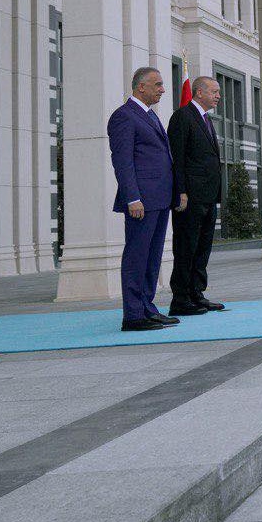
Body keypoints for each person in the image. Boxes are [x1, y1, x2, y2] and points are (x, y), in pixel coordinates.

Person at [108, 68, 179, 332]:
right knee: (137, 256)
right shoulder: (124, 116)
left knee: (152, 257)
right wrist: (132, 197)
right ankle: (133, 316)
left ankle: (147, 309)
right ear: (141, 87)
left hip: (159, 199)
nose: (162, 89)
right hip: (141, 201)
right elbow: (122, 161)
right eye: (158, 84)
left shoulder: (150, 115)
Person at [166, 76, 227, 316]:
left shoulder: (206, 119)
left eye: (219, 92)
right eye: (214, 91)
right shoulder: (183, 117)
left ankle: (196, 294)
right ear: (199, 92)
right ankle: (180, 299)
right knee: (186, 247)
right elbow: (177, 158)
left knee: (202, 248)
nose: (218, 96)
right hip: (189, 197)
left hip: (208, 196)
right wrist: (180, 191)